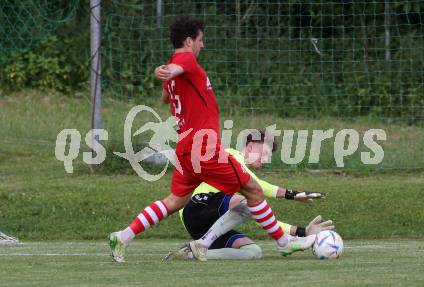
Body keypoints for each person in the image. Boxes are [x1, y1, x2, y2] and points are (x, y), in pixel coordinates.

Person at [110, 16, 313, 263]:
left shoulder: (180, 73)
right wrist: (169, 70)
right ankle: (285, 243)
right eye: (200, 40)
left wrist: (166, 73)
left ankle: (123, 236)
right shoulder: (186, 61)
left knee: (175, 201)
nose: (202, 45)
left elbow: (165, 97)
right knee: (252, 190)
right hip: (203, 147)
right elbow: (178, 65)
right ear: (188, 41)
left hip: (185, 147)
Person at [164, 131, 331, 260]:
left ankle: (192, 252)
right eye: (264, 153)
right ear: (250, 147)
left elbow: (265, 219)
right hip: (194, 209)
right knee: (248, 201)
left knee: (253, 251)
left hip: (206, 228)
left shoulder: (245, 188)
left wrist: (304, 231)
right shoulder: (232, 155)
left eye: (268, 157)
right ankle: (202, 244)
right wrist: (293, 194)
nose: (265, 160)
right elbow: (260, 187)